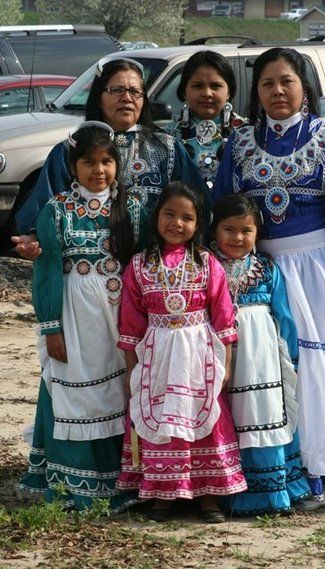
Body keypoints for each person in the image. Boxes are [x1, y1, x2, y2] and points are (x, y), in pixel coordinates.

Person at [214, 47, 325, 506]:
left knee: (322, 368)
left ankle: (321, 467)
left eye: (286, 80)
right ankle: (273, 470)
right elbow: (224, 210)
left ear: (305, 86)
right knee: (268, 369)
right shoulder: (241, 143)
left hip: (319, 269)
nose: (277, 91)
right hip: (261, 272)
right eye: (267, 83)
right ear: (257, 92)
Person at [19, 122, 149, 511]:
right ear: (72, 166)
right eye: (89, 162)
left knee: (120, 390)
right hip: (74, 314)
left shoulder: (134, 208)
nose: (99, 170)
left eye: (107, 161)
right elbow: (47, 273)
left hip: (120, 315)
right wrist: (51, 328)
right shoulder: (56, 210)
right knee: (73, 387)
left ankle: (122, 476)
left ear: (117, 164)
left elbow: (141, 268)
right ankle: (72, 482)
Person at [115, 181, 247, 523]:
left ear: (198, 223)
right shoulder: (140, 264)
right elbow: (130, 321)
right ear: (156, 216)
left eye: (186, 217)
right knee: (160, 417)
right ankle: (162, 494)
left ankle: (208, 496)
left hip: (198, 354)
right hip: (157, 353)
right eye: (169, 214)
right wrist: (132, 368)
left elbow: (223, 315)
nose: (177, 223)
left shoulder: (206, 263)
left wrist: (227, 362)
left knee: (204, 415)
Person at [13, 55, 209, 259]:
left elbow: (197, 204)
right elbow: (42, 206)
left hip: (154, 270)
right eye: (117, 90)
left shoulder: (167, 148)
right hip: (86, 268)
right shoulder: (71, 149)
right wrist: (33, 237)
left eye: (135, 91)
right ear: (98, 96)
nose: (127, 98)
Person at [211, 194, 310, 515]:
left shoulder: (267, 267)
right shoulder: (205, 264)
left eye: (246, 231)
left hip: (263, 358)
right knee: (229, 417)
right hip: (220, 354)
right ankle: (228, 489)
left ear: (257, 233)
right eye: (229, 229)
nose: (237, 238)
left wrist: (291, 356)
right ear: (214, 229)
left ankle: (272, 492)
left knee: (264, 415)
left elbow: (283, 314)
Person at [166, 50, 245, 192]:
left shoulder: (247, 133)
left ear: (228, 92)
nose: (207, 93)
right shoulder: (167, 137)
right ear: (184, 91)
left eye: (215, 86)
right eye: (197, 86)